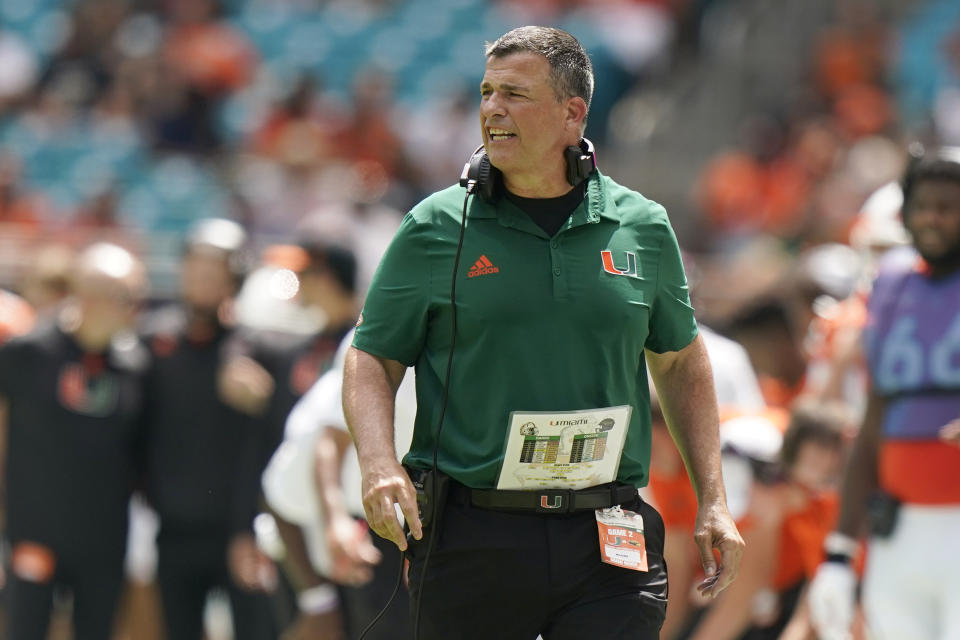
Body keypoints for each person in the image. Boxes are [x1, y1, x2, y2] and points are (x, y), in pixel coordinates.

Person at [342, 26, 744, 640]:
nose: (493, 109)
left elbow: (682, 361)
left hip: (609, 532)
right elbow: (372, 358)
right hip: (471, 534)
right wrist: (377, 463)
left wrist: (712, 498)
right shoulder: (435, 225)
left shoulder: (643, 225)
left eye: (515, 94)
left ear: (573, 113)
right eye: (487, 92)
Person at [808, 148, 960, 640]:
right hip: (900, 531)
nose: (933, 218)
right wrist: (840, 550)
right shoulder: (892, 285)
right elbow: (872, 421)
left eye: (949, 206)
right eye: (923, 205)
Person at [0, 243, 148, 639]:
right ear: (86, 295)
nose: (135, 308)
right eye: (125, 297)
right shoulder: (26, 353)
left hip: (103, 540)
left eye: (139, 297)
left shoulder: (135, 365)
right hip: (35, 532)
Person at [140, 218, 277, 640]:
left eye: (213, 271)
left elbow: (270, 445)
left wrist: (267, 401)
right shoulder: (151, 344)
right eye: (193, 269)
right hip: (173, 530)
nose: (200, 280)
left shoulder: (259, 351)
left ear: (232, 279)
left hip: (239, 533)